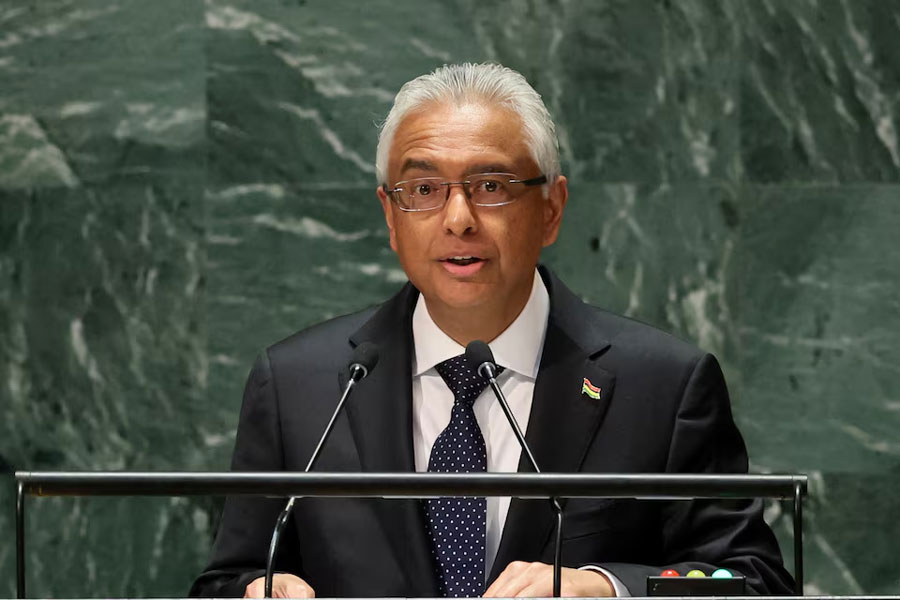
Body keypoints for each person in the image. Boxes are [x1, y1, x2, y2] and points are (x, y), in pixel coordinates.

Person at [191, 63, 794, 598]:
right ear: (390, 216)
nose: (458, 220)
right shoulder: (301, 385)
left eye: (491, 187)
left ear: (552, 209)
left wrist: (608, 589)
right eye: (424, 190)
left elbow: (753, 583)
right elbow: (224, 581)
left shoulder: (662, 387)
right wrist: (258, 592)